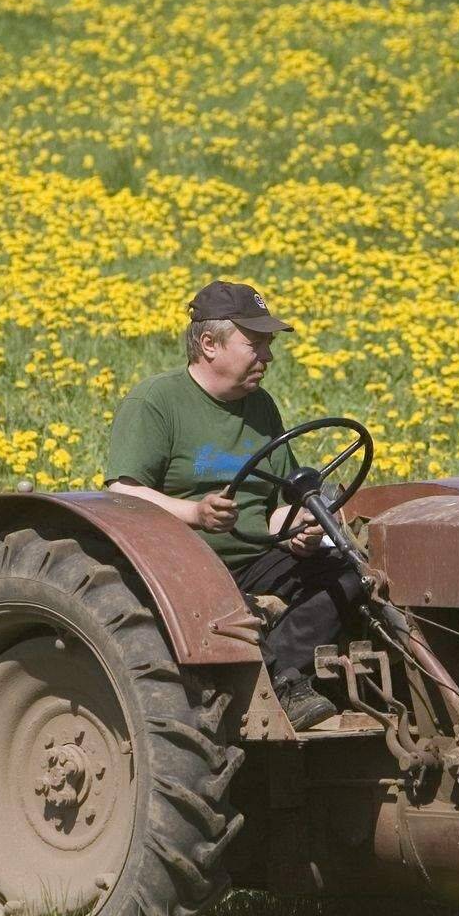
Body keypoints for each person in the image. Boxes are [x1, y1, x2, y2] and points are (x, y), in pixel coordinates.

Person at [103, 281, 362, 729]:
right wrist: (195, 513)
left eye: (269, 344)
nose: (268, 356)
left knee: (352, 575)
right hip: (184, 566)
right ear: (209, 344)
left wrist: (299, 527)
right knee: (226, 604)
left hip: (255, 557)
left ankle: (281, 670)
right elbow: (121, 493)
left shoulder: (261, 407)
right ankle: (277, 682)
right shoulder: (157, 402)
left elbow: (275, 505)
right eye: (255, 344)